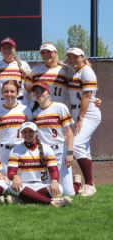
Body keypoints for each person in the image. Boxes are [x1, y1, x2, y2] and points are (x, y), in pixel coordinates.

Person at [7, 121, 72, 207]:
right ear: (21, 134)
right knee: (12, 186)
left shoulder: (47, 149)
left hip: (42, 185)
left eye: (30, 131)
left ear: (36, 132)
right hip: (23, 185)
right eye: (24, 132)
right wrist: (15, 176)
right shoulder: (15, 150)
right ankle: (51, 202)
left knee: (59, 189)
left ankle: (22, 199)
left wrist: (54, 181)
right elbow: (10, 172)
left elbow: (53, 170)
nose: (27, 134)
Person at [32, 83, 80, 196]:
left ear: (48, 93)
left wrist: (69, 152)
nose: (39, 94)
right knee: (52, 189)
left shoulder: (59, 107)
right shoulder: (34, 113)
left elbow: (68, 131)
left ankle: (77, 183)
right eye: (36, 92)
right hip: (43, 153)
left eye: (42, 91)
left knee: (69, 193)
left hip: (60, 151)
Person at [66, 47, 101, 196]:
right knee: (84, 148)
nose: (73, 60)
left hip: (87, 114)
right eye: (70, 57)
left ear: (83, 57)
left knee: (77, 144)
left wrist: (80, 118)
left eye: (76, 57)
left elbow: (87, 96)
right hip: (77, 112)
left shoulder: (86, 70)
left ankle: (89, 183)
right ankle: (87, 182)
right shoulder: (76, 71)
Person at [0, 80, 32, 175]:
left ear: (17, 93)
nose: (9, 94)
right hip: (4, 151)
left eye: (12, 91)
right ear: (2, 93)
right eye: (6, 91)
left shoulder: (25, 110)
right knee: (5, 182)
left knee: (23, 181)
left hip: (22, 149)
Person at [26, 42, 72, 108]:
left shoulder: (66, 70)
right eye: (43, 53)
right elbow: (27, 89)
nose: (46, 55)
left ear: (55, 52)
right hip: (38, 111)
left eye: (49, 52)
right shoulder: (35, 71)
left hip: (58, 111)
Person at [0, 38, 32, 108]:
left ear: (14, 49)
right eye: (4, 48)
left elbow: (29, 86)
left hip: (19, 102)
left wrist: (21, 94)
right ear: (1, 50)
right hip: (0, 103)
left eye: (9, 48)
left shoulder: (24, 65)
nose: (6, 50)